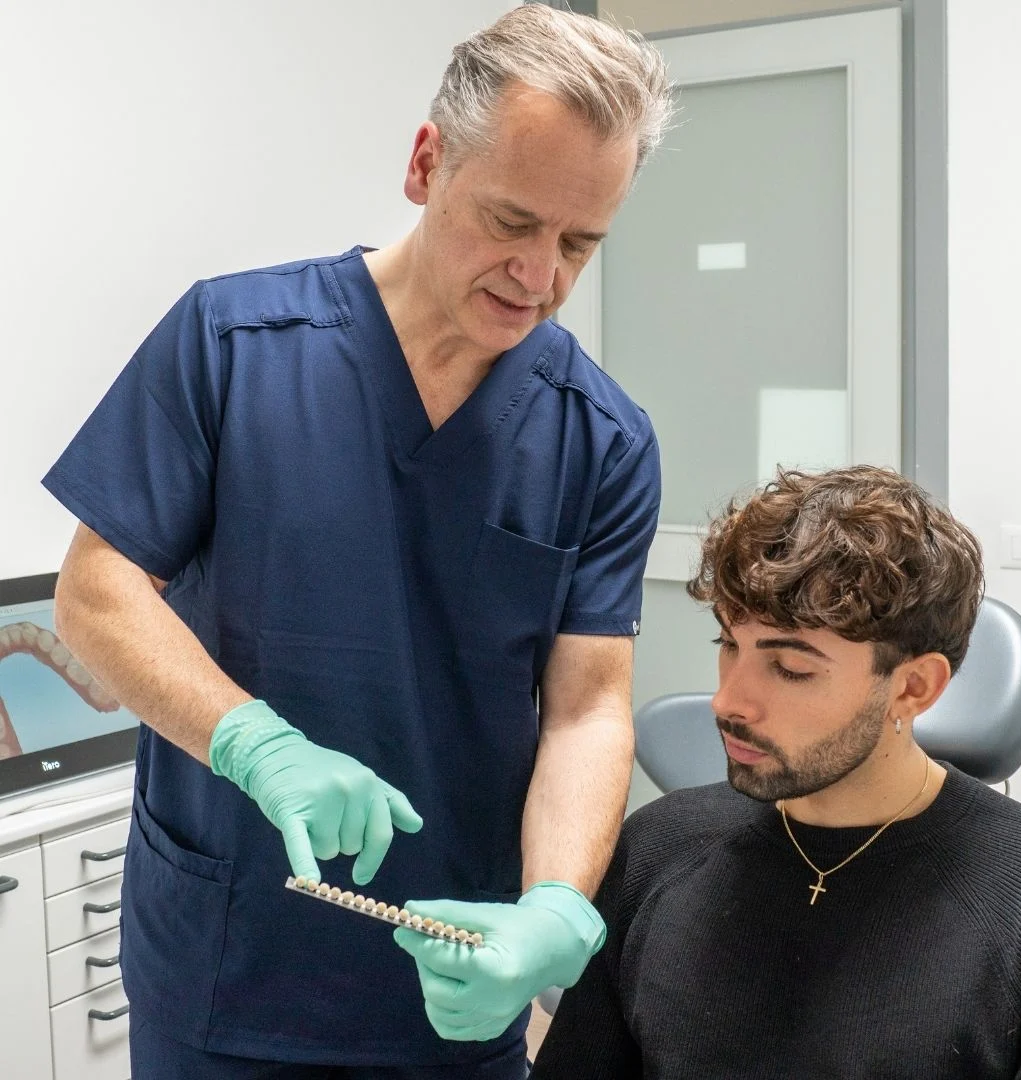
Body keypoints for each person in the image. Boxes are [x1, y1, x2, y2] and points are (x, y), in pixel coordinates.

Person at [42, 7, 674, 1077]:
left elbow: (586, 706)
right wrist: (257, 744)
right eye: (511, 221)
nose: (540, 276)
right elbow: (96, 593)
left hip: (457, 981)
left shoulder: (600, 438)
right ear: (427, 163)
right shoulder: (233, 346)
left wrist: (557, 907)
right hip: (225, 963)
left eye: (579, 243)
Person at [530, 465, 1021, 1079]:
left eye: (790, 668)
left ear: (914, 687)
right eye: (728, 647)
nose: (728, 702)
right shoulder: (659, 849)